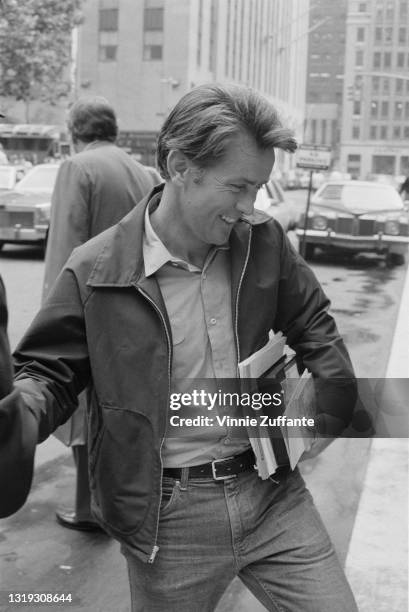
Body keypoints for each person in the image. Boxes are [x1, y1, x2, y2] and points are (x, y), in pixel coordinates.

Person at [4, 83, 358, 611]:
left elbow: (314, 323)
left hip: (275, 497)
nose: (249, 207)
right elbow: (47, 374)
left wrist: (330, 402)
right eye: (237, 187)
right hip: (170, 522)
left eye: (258, 189)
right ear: (178, 165)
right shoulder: (94, 270)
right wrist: (21, 416)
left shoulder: (263, 242)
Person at [43, 96, 157, 532]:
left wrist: (52, 317)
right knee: (115, 406)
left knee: (80, 407)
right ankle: (114, 503)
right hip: (134, 304)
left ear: (75, 130)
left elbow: (64, 250)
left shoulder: (78, 167)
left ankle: (88, 506)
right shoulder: (139, 170)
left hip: (88, 305)